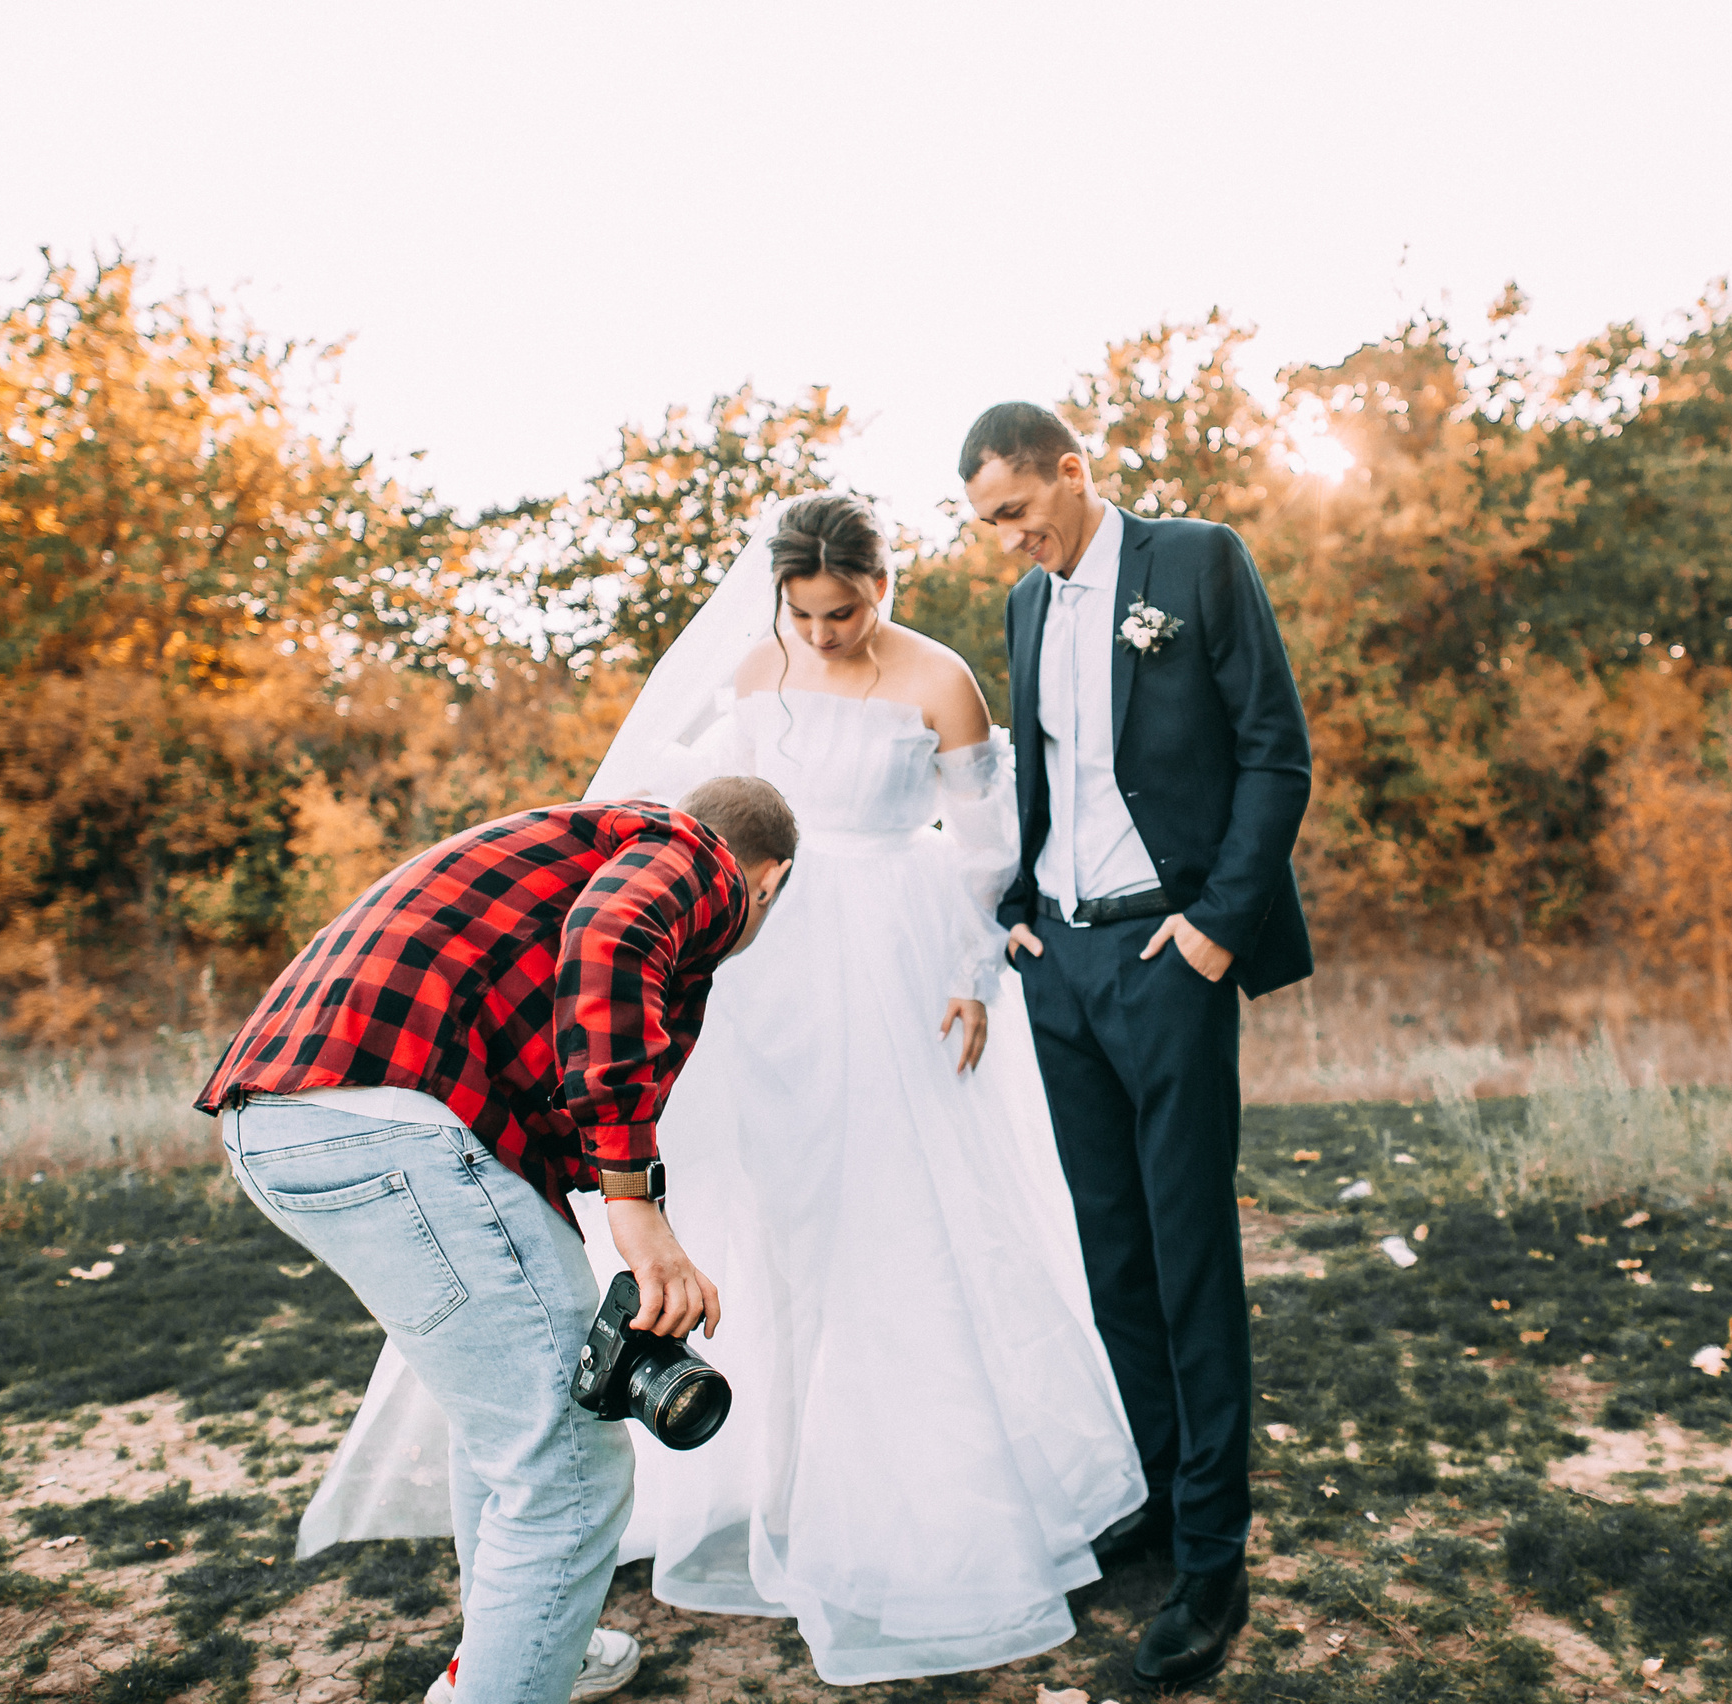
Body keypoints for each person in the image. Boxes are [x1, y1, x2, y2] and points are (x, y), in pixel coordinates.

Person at [304, 492, 1148, 1688]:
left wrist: (972, 969)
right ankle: (749, 1473)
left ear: (884, 586)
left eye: (844, 610)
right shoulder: (755, 666)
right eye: (803, 613)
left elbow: (985, 839)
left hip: (899, 964)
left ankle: (907, 1498)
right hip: (756, 961)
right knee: (764, 1214)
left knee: (895, 1218)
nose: (824, 632)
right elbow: (691, 804)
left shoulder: (942, 678)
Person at [195, 779, 798, 1704]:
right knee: (568, 1471)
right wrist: (639, 1211)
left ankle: (517, 1648)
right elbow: (613, 945)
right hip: (393, 1121)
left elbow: (546, 1070)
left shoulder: (576, 846)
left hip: (277, 1119)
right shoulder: (698, 857)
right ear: (770, 881)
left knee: (510, 1426)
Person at [961, 401, 1313, 1690]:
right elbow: (1038, 781)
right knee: (1111, 1253)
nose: (1004, 540)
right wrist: (1014, 913)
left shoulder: (1195, 561)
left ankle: (1215, 1552)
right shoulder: (1025, 608)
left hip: (1172, 954)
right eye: (984, 523)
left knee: (1187, 1249)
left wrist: (1218, 927)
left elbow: (1277, 754)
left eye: (1013, 510)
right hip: (1060, 962)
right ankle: (1160, 1502)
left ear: (1071, 472)